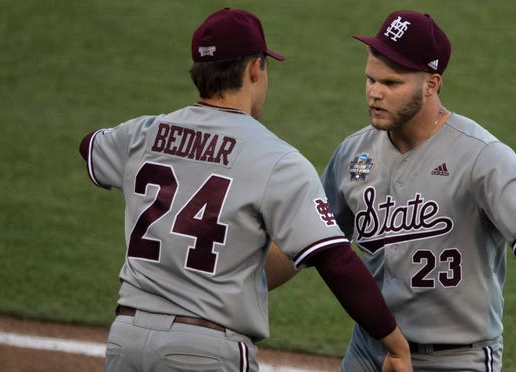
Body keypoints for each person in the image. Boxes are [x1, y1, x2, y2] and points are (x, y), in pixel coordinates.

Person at [78, 8, 412, 372]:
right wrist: (393, 343)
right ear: (255, 69)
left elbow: (90, 147)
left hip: (126, 340)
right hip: (204, 351)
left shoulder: (144, 133)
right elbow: (336, 261)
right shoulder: (276, 159)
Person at [308, 9, 516, 371]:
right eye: (370, 80)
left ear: (432, 84)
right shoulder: (353, 153)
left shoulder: (481, 156)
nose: (374, 93)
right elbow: (309, 234)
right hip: (371, 350)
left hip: (457, 358)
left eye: (390, 84)